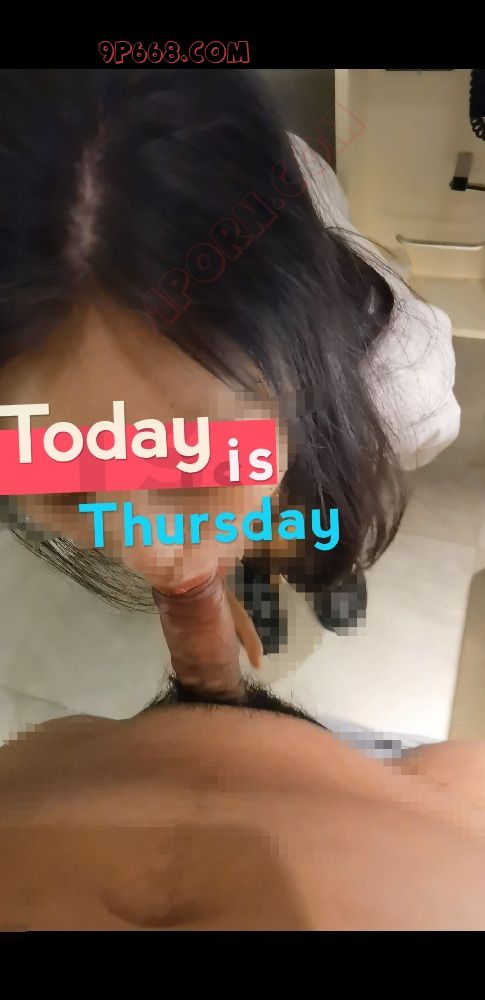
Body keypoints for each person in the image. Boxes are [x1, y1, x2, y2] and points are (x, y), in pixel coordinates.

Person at [0, 68, 459, 702]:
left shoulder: (401, 385)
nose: (155, 557)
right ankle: (256, 573)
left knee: (319, 526)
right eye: (67, 483)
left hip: (324, 479)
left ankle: (330, 571)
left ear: (300, 356)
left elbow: (387, 458)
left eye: (194, 466)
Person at [1, 585, 485, 932]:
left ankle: (325, 570)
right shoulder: (455, 790)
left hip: (78, 763)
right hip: (378, 785)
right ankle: (272, 575)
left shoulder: (50, 748)